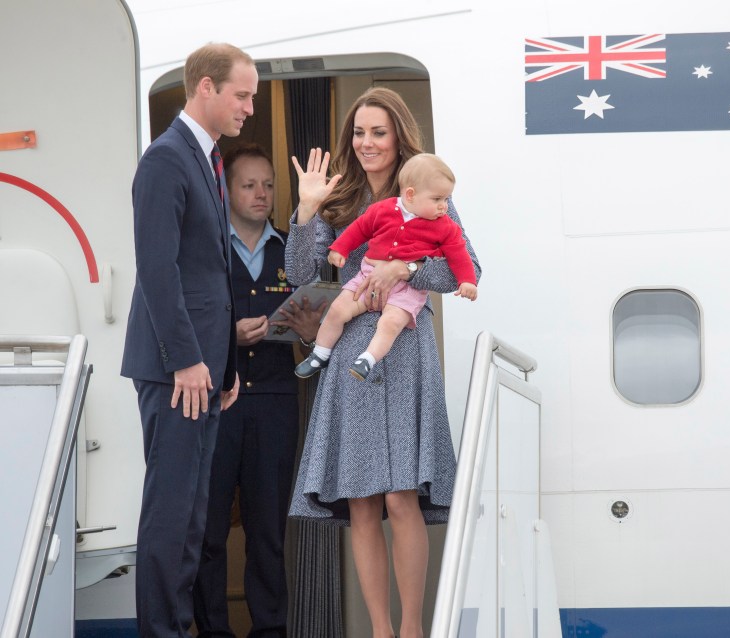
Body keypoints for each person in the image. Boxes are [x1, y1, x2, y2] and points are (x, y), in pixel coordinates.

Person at [285, 87, 481, 638]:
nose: (367, 143)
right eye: (359, 132)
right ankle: (380, 630)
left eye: (378, 132)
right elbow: (302, 274)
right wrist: (306, 208)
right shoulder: (341, 195)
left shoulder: (428, 191)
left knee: (401, 497)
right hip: (352, 354)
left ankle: (412, 630)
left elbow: (466, 272)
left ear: (398, 137)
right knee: (364, 501)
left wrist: (406, 272)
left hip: (405, 350)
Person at [120, 43, 255, 638]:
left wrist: (222, 365)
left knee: (195, 521)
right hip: (178, 371)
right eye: (242, 94)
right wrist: (188, 361)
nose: (249, 107)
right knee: (172, 519)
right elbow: (157, 268)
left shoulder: (206, 159)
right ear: (205, 87)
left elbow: (208, 273)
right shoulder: (166, 159)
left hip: (202, 371)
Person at [192, 144, 325, 637]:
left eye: (268, 184)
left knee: (267, 531)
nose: (261, 194)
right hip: (213, 404)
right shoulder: (204, 249)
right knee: (207, 533)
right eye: (249, 185)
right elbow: (183, 322)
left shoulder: (292, 250)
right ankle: (213, 632)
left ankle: (271, 631)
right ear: (227, 190)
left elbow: (317, 325)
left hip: (274, 404)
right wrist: (229, 335)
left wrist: (311, 331)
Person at [294, 153, 477, 382]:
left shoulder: (445, 225)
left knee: (390, 323)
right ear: (410, 194)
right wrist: (339, 248)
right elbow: (359, 229)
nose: (444, 206)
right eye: (439, 199)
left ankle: (368, 359)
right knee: (338, 309)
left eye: (447, 199)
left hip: (408, 291)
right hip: (367, 276)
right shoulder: (383, 209)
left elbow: (459, 253)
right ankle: (319, 354)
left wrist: (466, 280)